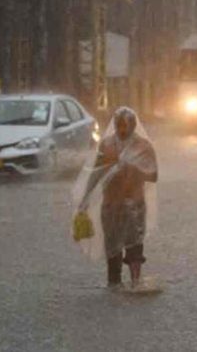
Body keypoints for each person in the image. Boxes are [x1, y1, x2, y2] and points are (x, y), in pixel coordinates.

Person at [76, 107, 158, 289]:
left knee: (134, 243)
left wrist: (132, 167)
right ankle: (114, 282)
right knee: (112, 245)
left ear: (133, 125)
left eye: (125, 125)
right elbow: (95, 174)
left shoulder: (143, 146)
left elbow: (153, 175)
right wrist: (85, 199)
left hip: (134, 204)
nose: (121, 130)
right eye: (118, 125)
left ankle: (136, 282)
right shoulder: (106, 145)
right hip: (111, 204)